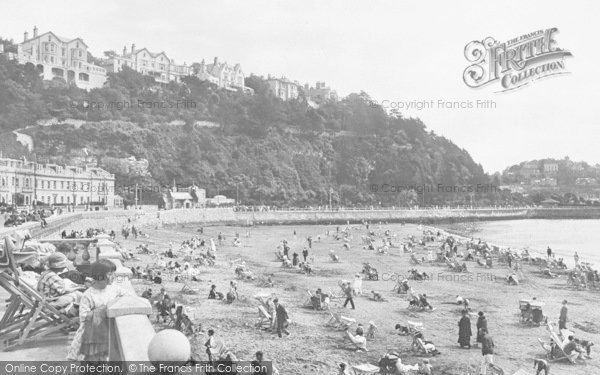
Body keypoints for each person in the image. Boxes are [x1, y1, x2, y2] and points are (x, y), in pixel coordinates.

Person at [67, 261, 130, 360]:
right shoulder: (88, 295)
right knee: (91, 360)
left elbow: (127, 296)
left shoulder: (113, 289)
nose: (113, 276)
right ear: (99, 276)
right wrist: (103, 309)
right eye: (110, 274)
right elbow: (83, 316)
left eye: (113, 273)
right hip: (92, 333)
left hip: (109, 329)